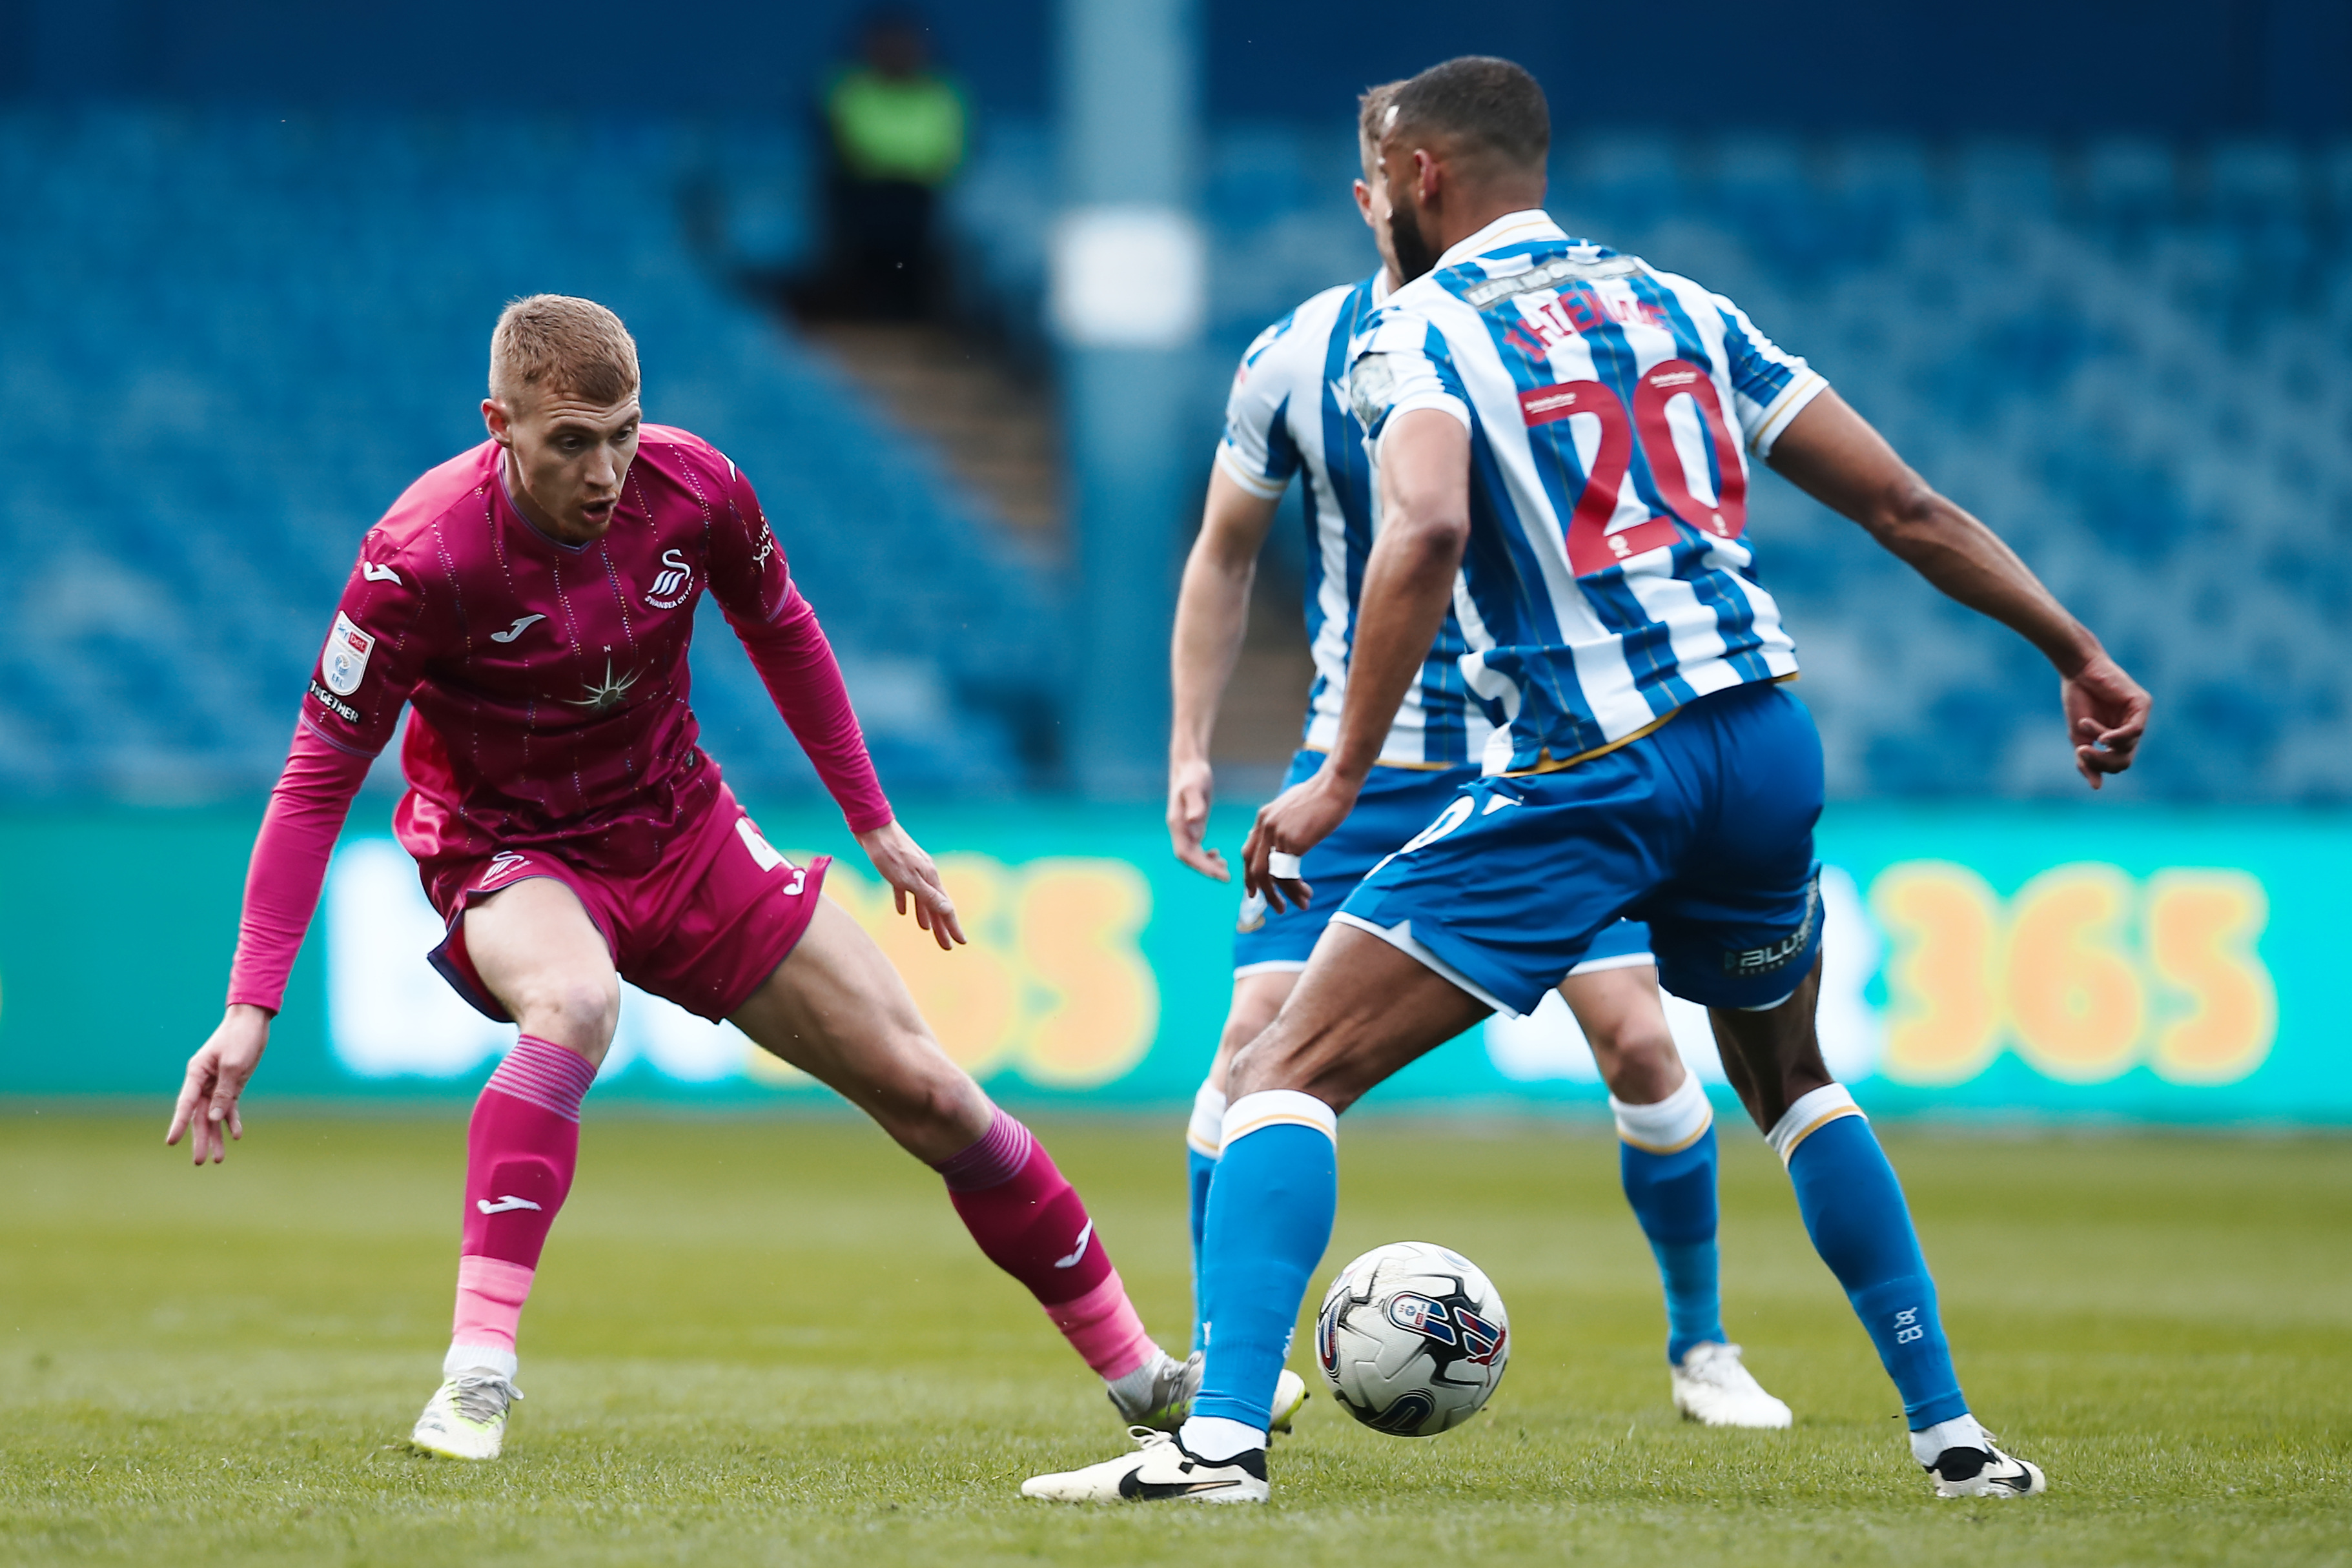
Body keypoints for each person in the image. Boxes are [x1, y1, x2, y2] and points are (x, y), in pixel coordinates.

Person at [1028, 56, 2149, 1505]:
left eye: (1382, 183)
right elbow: (1902, 502)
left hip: (1593, 759)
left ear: (1420, 181)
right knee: (1791, 1077)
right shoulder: (1681, 304)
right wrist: (2077, 648)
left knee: (1288, 1069)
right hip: (1761, 735)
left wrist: (1334, 775)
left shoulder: (1420, 325)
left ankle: (1219, 1441)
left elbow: (1420, 534)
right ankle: (1955, 1438)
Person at [167, 294, 1200, 1461]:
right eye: (570, 441)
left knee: (931, 1090)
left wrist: (874, 820)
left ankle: (1146, 1377)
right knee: (573, 1002)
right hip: (513, 849)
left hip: (679, 825)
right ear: (497, 423)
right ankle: (476, 1373)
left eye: (623, 431)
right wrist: (251, 1003)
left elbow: (785, 626)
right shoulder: (419, 558)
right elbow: (315, 777)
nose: (606, 468)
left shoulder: (695, 486)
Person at [1167, 81, 1787, 1431]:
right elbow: (1223, 550)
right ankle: (1233, 1362)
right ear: (1373, 194)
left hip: (1551, 755)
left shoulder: (1541, 337)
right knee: (1247, 1047)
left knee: (1635, 1037)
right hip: (1369, 763)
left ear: (1426, 179)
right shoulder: (1296, 357)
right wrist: (1189, 742)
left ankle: (1704, 1346)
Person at [809, 10, 966, 320]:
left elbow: (954, 148)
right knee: (864, 247)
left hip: (920, 195)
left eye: (903, 45)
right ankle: (862, 309)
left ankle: (918, 314)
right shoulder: (850, 89)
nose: (896, 54)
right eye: (887, 45)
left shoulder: (940, 93)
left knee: (917, 251)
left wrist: (913, 170)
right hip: (862, 193)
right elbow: (840, 143)